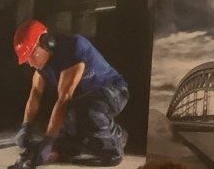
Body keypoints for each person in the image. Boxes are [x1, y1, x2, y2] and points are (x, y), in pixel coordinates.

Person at [13, 21, 129, 167]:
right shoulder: (42, 64)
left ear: (46, 42)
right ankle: (107, 135)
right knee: (64, 131)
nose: (30, 63)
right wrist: (26, 126)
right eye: (27, 60)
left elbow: (64, 99)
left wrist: (48, 141)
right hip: (85, 99)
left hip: (113, 90)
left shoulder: (73, 48)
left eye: (32, 55)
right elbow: (35, 94)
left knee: (89, 112)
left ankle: (114, 146)